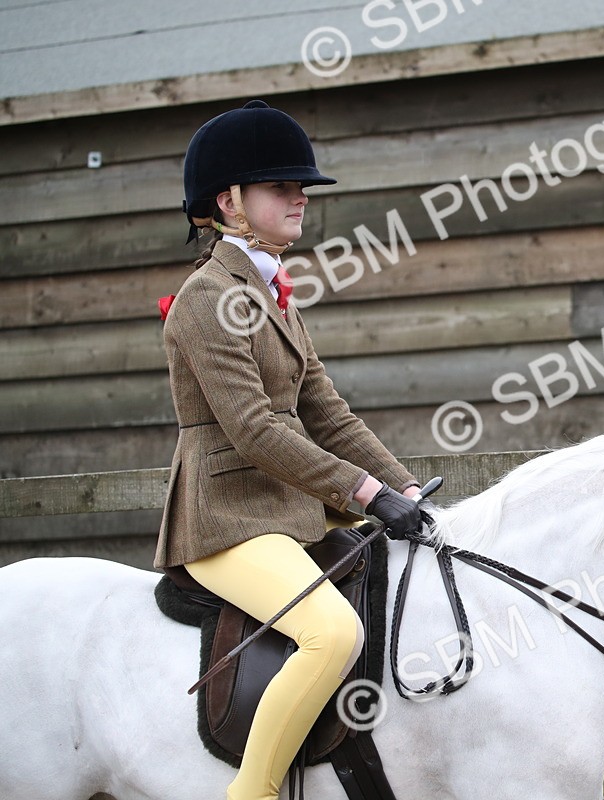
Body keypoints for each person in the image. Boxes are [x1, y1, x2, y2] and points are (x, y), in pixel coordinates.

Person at [154, 99, 422, 800]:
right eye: (281, 187)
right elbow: (254, 429)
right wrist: (364, 494)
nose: (300, 197)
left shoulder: (272, 293)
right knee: (332, 635)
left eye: (299, 187)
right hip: (228, 518)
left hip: (289, 509)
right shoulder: (206, 299)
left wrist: (406, 487)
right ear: (229, 203)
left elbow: (324, 411)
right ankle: (255, 791)